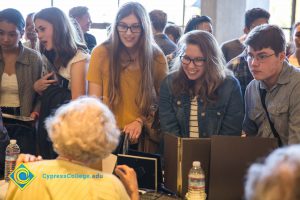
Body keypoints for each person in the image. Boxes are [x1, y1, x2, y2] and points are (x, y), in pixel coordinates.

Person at [5, 97, 139, 200]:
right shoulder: (111, 186)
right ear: (106, 141)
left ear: (57, 128)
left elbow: (11, 193)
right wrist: (133, 193)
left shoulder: (27, 172)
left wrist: (20, 171)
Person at [87, 2, 168, 153]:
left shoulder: (156, 57)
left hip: (143, 140)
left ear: (144, 27)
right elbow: (94, 102)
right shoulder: (101, 53)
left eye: (135, 27)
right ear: (116, 26)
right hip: (107, 137)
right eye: (123, 26)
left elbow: (163, 100)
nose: (128, 33)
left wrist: (140, 121)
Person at [159, 30, 243, 138]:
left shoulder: (229, 86)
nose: (191, 66)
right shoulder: (169, 83)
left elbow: (229, 137)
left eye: (198, 60)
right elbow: (170, 132)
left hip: (216, 154)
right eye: (186, 58)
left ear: (211, 60)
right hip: (178, 153)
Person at [33, 7, 90, 159]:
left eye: (42, 29)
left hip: (69, 132)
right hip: (53, 124)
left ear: (58, 27)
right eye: (37, 31)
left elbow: (78, 104)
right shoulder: (53, 56)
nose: (39, 35)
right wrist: (37, 86)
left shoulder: (79, 59)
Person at [242, 24, 300, 145]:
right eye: (250, 55)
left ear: (282, 56)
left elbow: (296, 148)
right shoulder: (252, 88)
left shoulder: (296, 84)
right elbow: (250, 136)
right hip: (261, 160)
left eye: (262, 56)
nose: (253, 63)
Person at [0, 8, 42, 154]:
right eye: (1, 33)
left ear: (21, 33)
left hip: (23, 121)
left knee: (23, 170)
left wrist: (36, 112)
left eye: (12, 34)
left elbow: (42, 93)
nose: (5, 39)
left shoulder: (34, 58)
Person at [226, 8, 270, 96]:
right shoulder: (234, 66)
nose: (262, 33)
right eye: (256, 28)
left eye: (266, 28)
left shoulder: (275, 60)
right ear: (246, 30)